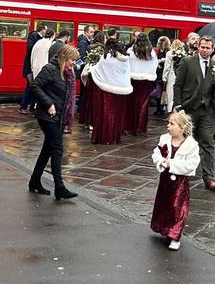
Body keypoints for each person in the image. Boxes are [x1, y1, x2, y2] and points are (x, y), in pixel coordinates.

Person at [29, 45, 81, 200]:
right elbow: (35, 86)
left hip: (58, 116)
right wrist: (48, 104)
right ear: (64, 57)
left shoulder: (67, 72)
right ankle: (59, 187)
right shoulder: (50, 69)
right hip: (47, 115)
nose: (74, 63)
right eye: (72, 60)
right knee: (57, 148)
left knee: (48, 149)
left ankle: (34, 181)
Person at [173, 36, 215, 191]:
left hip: (208, 110)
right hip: (189, 108)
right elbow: (178, 85)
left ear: (212, 48)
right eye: (202, 47)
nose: (205, 50)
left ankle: (209, 178)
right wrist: (179, 105)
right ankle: (181, 175)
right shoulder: (187, 62)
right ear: (198, 47)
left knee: (207, 142)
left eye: (208, 48)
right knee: (187, 143)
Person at [150, 111, 201, 250]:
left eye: (172, 124)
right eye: (168, 123)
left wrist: (172, 164)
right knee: (164, 205)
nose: (168, 126)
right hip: (165, 181)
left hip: (179, 183)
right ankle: (164, 228)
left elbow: (192, 164)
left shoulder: (191, 146)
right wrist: (160, 161)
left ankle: (175, 235)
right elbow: (156, 153)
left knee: (177, 208)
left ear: (182, 128)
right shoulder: (164, 139)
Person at [82, 38, 132, 144]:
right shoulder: (125, 59)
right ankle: (115, 137)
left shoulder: (107, 57)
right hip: (122, 89)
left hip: (107, 88)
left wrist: (90, 69)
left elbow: (99, 69)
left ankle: (105, 137)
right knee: (118, 115)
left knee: (106, 114)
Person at [125, 33, 158, 136]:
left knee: (131, 104)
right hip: (146, 80)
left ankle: (129, 126)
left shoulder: (131, 51)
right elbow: (155, 65)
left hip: (132, 79)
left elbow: (126, 64)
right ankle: (140, 128)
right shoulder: (151, 52)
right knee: (143, 104)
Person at [19, 23, 48, 114]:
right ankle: (23, 106)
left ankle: (32, 106)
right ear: (42, 29)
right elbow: (30, 49)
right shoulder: (33, 36)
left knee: (34, 86)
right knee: (30, 86)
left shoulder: (41, 39)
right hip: (30, 67)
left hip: (35, 66)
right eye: (45, 30)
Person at [161, 39, 185, 113]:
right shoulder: (184, 53)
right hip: (180, 75)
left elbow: (167, 67)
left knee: (170, 93)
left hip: (171, 75)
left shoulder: (169, 53)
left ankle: (170, 111)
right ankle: (176, 110)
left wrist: (164, 77)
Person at [154, 36, 172, 116]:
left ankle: (161, 109)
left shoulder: (169, 51)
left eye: (164, 43)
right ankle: (158, 108)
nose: (162, 44)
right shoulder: (157, 51)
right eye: (161, 43)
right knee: (158, 92)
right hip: (158, 73)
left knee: (163, 92)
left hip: (164, 73)